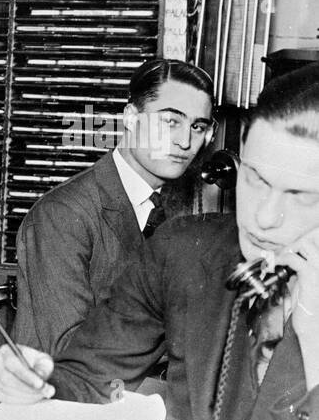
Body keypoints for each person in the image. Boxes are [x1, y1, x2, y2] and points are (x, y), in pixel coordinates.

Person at [0, 63, 319, 420]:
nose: (264, 217)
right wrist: (39, 382)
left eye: (301, 196)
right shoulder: (182, 249)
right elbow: (89, 375)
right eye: (255, 180)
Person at [14, 58, 215, 356]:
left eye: (197, 126)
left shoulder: (177, 211)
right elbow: (71, 352)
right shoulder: (63, 215)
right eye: (171, 121)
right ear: (132, 118)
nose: (185, 141)